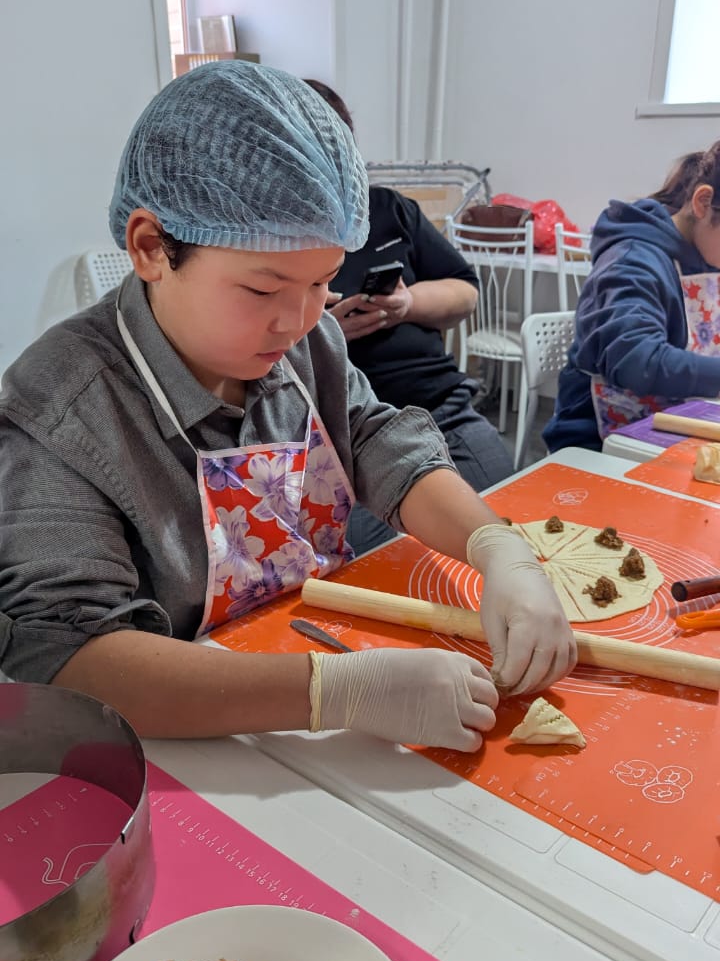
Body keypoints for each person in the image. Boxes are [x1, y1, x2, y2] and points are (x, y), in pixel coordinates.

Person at [0, 62, 575, 750]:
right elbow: (75, 660)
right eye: (262, 289)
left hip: (302, 649)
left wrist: (497, 547)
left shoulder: (307, 342)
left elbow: (372, 439)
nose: (299, 320)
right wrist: (334, 692)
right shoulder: (59, 411)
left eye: (323, 282)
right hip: (179, 740)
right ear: (151, 248)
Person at [304, 79, 513, 553]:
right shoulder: (277, 239)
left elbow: (465, 292)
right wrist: (323, 331)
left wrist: (407, 304)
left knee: (508, 519)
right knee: (388, 559)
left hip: (440, 409)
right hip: (345, 437)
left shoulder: (390, 210)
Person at [544, 143, 720, 453]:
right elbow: (637, 360)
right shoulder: (631, 260)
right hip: (595, 442)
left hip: (673, 424)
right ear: (703, 202)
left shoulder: (705, 255)